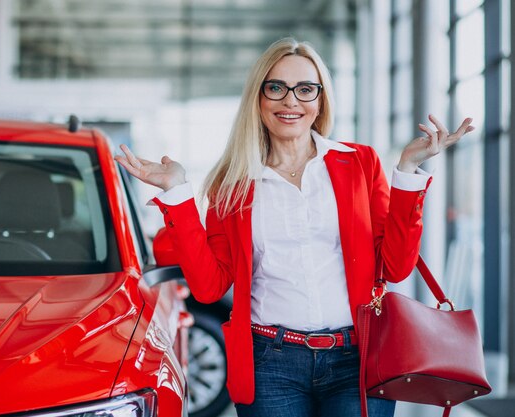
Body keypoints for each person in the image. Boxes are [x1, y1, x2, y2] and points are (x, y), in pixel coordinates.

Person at [115, 37, 474, 417]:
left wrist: (406, 173)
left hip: (358, 359)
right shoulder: (232, 183)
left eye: (305, 89)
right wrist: (177, 194)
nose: (291, 101)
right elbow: (209, 286)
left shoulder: (359, 163)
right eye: (276, 88)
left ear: (320, 100)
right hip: (271, 364)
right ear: (259, 98)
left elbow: (397, 266)